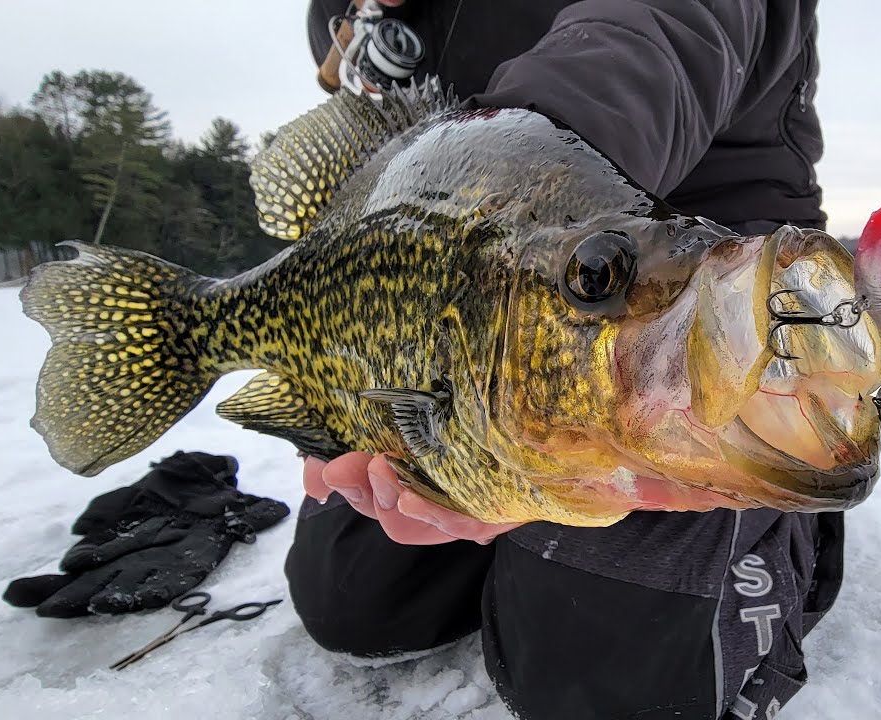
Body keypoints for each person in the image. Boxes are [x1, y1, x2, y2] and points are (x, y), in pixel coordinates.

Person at [285, 1, 843, 718]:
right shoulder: (350, 18)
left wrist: (515, 171)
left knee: (601, 686)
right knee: (351, 598)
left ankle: (786, 515)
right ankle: (524, 501)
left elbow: (655, 31)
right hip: (483, 322)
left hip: (692, 296)